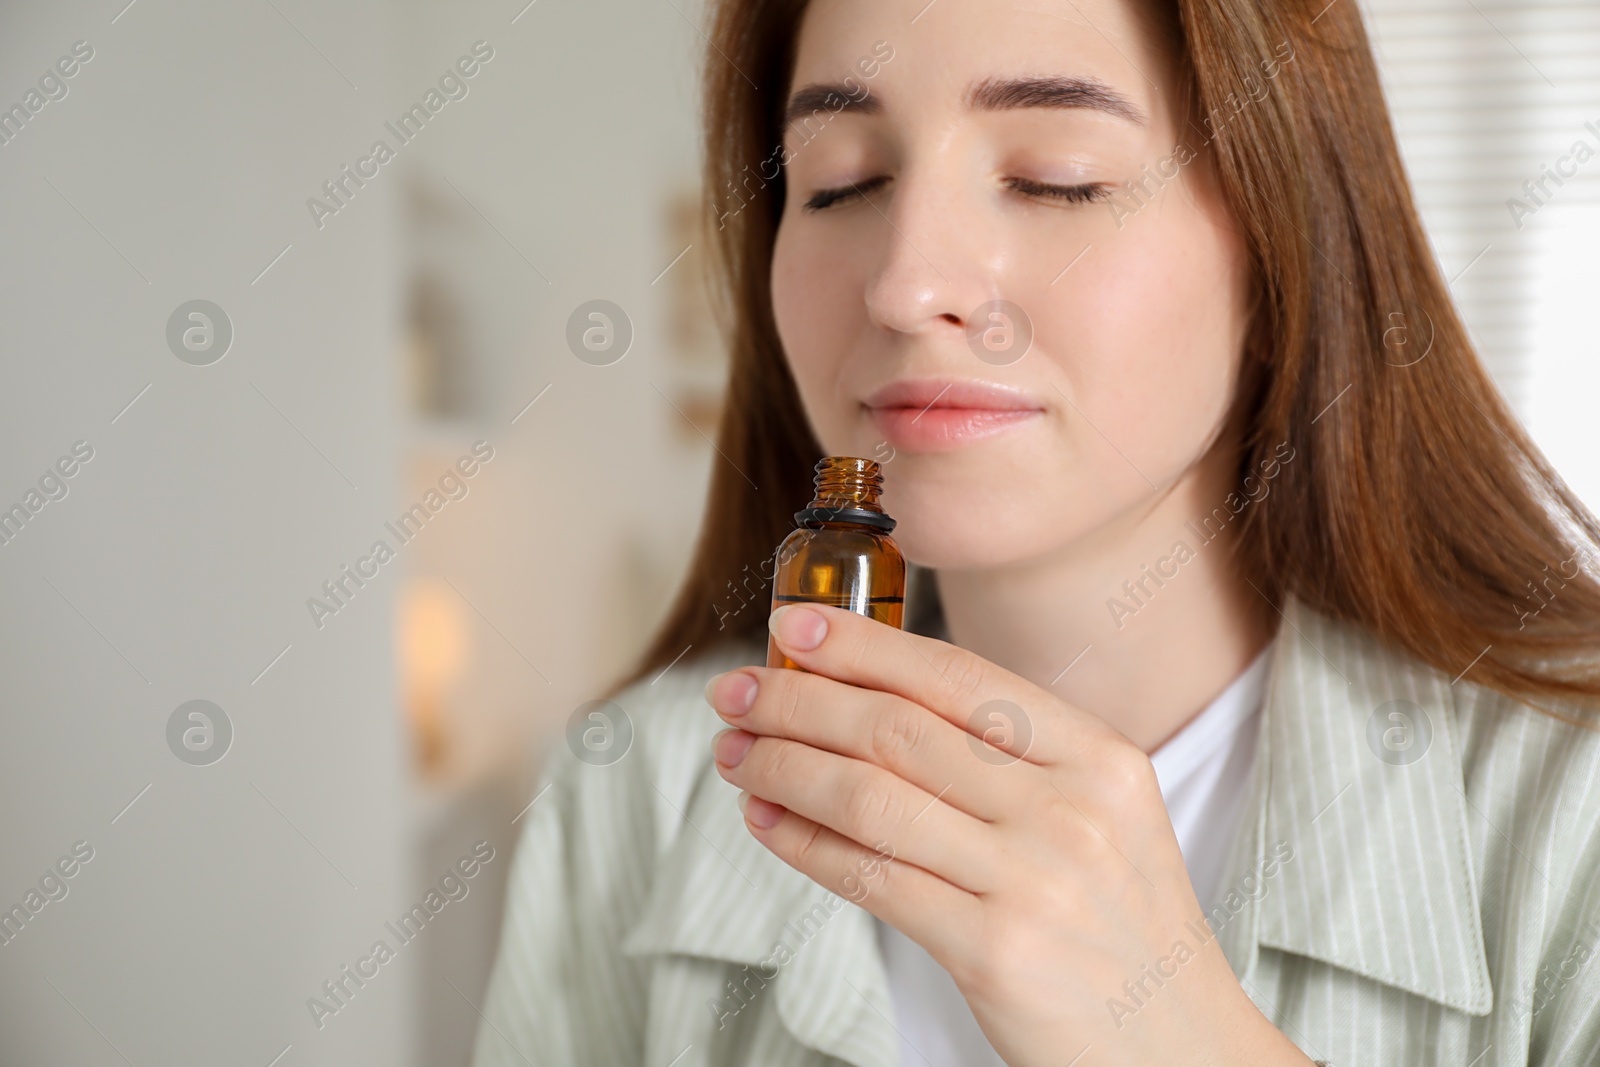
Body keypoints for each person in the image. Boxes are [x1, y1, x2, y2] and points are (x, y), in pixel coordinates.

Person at [470, 0, 1600, 1063]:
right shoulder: (632, 792)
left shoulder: (1570, 822)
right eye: (837, 182)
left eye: (1053, 179)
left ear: (1279, 247)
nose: (906, 285)